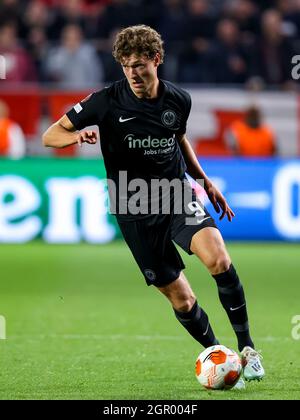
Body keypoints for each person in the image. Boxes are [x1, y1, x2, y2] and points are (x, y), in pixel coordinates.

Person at [42, 25, 265, 384]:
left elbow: (178, 140)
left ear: (156, 60)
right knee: (181, 297)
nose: (132, 72)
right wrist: (73, 135)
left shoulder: (179, 99)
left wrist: (203, 180)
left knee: (219, 258)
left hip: (175, 193)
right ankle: (221, 358)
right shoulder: (105, 100)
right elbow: (49, 134)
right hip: (132, 204)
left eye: (139, 65)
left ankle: (249, 349)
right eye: (126, 65)